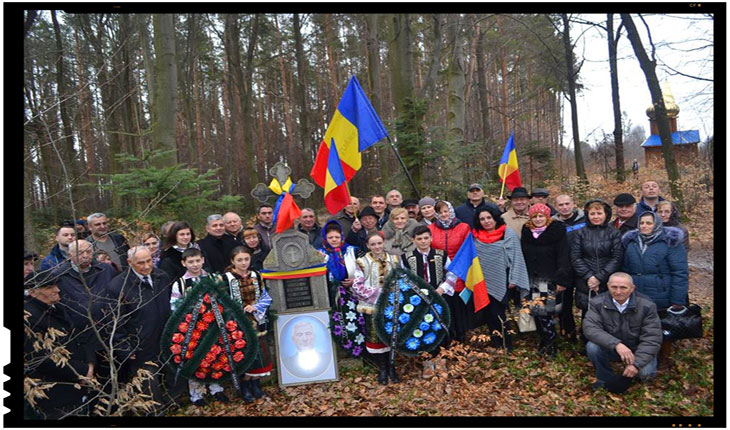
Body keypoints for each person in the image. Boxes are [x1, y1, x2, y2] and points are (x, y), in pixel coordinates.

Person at [24, 271, 95, 419]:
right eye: (49, 287)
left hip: (76, 384)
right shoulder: (30, 318)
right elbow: (40, 359)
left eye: (56, 285)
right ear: (32, 291)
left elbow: (78, 336)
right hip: (54, 392)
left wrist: (90, 364)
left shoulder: (57, 307)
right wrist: (80, 371)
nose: (57, 290)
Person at [621, 211, 688, 368]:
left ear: (656, 224)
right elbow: (625, 268)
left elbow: (680, 272)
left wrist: (678, 299)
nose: (645, 226)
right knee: (640, 326)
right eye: (642, 223)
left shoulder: (670, 243)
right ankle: (642, 356)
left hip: (661, 293)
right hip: (638, 292)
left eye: (649, 223)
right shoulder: (631, 242)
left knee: (662, 327)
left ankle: (664, 357)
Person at [107, 246, 172, 409]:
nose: (146, 266)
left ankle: (173, 401)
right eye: (140, 263)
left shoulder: (162, 277)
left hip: (166, 337)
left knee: (170, 374)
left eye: (149, 261)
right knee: (149, 383)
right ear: (130, 263)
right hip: (140, 342)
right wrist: (125, 347)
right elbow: (116, 321)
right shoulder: (118, 286)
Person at [168, 248, 228, 406]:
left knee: (215, 356)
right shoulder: (180, 284)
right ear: (183, 263)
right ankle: (197, 393)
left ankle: (216, 388)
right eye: (190, 262)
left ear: (202, 260)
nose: (195, 265)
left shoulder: (212, 278)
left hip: (213, 326)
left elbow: (222, 299)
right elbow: (175, 306)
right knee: (195, 360)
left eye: (197, 261)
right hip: (192, 329)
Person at [583, 272, 662, 393]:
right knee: (592, 347)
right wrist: (617, 345)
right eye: (614, 287)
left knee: (645, 374)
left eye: (623, 287)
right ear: (608, 286)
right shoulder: (597, 302)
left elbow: (652, 338)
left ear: (632, 288)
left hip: (637, 348)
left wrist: (635, 364)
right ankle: (604, 377)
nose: (618, 292)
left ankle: (634, 369)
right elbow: (591, 328)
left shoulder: (647, 305)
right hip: (613, 347)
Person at [466, 205, 530, 351]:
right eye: (482, 219)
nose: (486, 221)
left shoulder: (508, 234)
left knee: (499, 313)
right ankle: (496, 342)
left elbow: (516, 257)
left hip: (504, 279)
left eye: (489, 217)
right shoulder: (475, 236)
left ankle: (507, 344)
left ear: (495, 218)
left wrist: (514, 278)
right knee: (488, 313)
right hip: (482, 280)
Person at [401, 225, 454, 377]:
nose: (423, 241)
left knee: (439, 327)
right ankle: (427, 363)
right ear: (413, 240)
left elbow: (451, 274)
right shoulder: (407, 257)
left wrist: (441, 289)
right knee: (423, 329)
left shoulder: (441, 255)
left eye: (426, 238)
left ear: (431, 238)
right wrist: (414, 292)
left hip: (438, 297)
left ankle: (441, 361)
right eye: (419, 239)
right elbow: (404, 279)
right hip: (418, 300)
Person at [221, 247, 272, 402]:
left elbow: (266, 297)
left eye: (246, 259)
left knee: (259, 354)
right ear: (232, 261)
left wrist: (256, 307)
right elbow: (222, 301)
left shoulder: (257, 275)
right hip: (238, 324)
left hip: (257, 319)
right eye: (239, 260)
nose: (244, 263)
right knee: (244, 355)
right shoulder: (225, 278)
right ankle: (245, 386)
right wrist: (239, 309)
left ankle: (256, 384)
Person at [520, 204, 571, 357]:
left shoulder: (557, 232)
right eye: (535, 216)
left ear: (547, 217)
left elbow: (564, 256)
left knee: (547, 312)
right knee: (537, 311)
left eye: (541, 216)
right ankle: (544, 339)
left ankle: (551, 342)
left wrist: (561, 278)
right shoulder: (527, 232)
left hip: (550, 278)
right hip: (532, 279)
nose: (538, 219)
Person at [570, 199, 624, 341]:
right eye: (592, 213)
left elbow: (617, 257)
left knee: (609, 313)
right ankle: (586, 343)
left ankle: (608, 343)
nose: (596, 216)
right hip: (585, 281)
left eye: (599, 213)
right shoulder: (580, 233)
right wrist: (589, 277)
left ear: (606, 214)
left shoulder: (614, 233)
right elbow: (576, 257)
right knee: (588, 313)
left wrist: (600, 277)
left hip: (607, 280)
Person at [352, 232, 401, 385]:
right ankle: (382, 368)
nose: (377, 247)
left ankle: (392, 366)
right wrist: (379, 294)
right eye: (373, 244)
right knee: (376, 336)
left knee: (391, 335)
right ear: (368, 245)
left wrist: (393, 294)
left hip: (392, 306)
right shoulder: (362, 262)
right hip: (372, 306)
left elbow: (400, 279)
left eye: (379, 243)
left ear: (384, 243)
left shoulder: (394, 259)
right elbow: (357, 286)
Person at [428, 200, 471, 342]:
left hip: (460, 271)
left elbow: (467, 250)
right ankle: (446, 338)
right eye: (440, 212)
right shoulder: (431, 229)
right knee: (444, 306)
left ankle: (461, 337)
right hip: (438, 272)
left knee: (459, 307)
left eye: (446, 211)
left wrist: (461, 271)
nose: (444, 214)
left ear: (451, 211)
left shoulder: (463, 227)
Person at [53, 240, 117, 332]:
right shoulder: (59, 276)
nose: (85, 256)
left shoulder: (105, 269)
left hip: (109, 326)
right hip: (79, 331)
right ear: (69, 255)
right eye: (80, 253)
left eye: (88, 252)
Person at [552, 194, 587, 341]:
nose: (565, 207)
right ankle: (568, 331)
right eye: (561, 205)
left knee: (586, 302)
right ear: (556, 207)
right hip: (563, 268)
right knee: (564, 303)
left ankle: (587, 333)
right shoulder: (553, 223)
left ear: (573, 203)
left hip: (583, 267)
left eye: (567, 203)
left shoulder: (585, 219)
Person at [318, 220, 358, 306]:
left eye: (337, 237)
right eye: (330, 237)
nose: (334, 240)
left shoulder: (352, 251)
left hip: (352, 293)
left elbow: (364, 270)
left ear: (342, 237)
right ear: (325, 238)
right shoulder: (319, 253)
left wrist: (355, 281)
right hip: (329, 296)